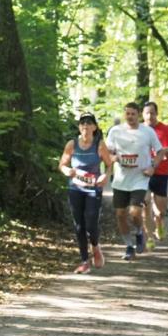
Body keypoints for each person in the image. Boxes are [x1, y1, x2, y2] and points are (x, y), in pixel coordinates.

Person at [105, 102, 167, 261]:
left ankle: (140, 232)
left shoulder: (147, 132)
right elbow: (107, 152)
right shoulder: (115, 131)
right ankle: (128, 246)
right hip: (120, 179)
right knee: (120, 214)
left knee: (134, 212)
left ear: (139, 114)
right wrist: (113, 158)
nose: (130, 117)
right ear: (124, 114)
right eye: (128, 114)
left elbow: (160, 152)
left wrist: (153, 167)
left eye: (133, 114)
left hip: (140, 178)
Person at [58, 114, 114, 273]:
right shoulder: (72, 144)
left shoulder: (99, 144)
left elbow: (109, 165)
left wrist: (105, 175)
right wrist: (67, 170)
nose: (85, 126)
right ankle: (84, 261)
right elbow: (62, 164)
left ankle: (95, 247)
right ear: (79, 127)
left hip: (93, 189)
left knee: (91, 222)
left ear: (94, 127)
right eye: (82, 123)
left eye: (89, 123)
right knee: (79, 225)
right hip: (75, 188)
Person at [141, 102, 168, 249]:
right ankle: (149, 237)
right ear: (143, 114)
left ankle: (159, 223)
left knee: (160, 211)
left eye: (152, 113)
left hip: (161, 173)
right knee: (145, 203)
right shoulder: (139, 130)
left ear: (156, 114)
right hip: (143, 173)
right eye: (147, 113)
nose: (150, 116)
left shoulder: (165, 129)